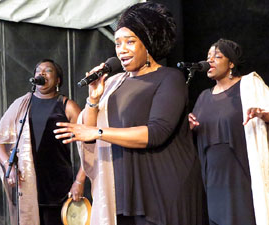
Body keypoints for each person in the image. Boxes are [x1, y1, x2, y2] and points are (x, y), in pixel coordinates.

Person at [54, 3, 207, 225]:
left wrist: (97, 132)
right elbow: (90, 133)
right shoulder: (114, 83)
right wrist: (93, 99)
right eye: (117, 43)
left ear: (148, 44)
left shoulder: (170, 78)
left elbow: (156, 133)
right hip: (125, 187)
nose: (122, 49)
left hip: (165, 187)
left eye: (130, 42)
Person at [0, 59, 86, 225]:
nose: (42, 73)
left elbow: (90, 148)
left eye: (48, 71)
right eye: (38, 71)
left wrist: (79, 181)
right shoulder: (22, 105)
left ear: (58, 80)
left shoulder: (67, 106)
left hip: (58, 185)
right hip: (27, 184)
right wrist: (8, 166)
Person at [188, 38, 269, 225]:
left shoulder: (249, 86)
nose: (210, 60)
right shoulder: (203, 97)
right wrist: (188, 126)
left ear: (231, 63)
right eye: (208, 57)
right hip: (212, 178)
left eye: (217, 56)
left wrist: (262, 114)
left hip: (240, 173)